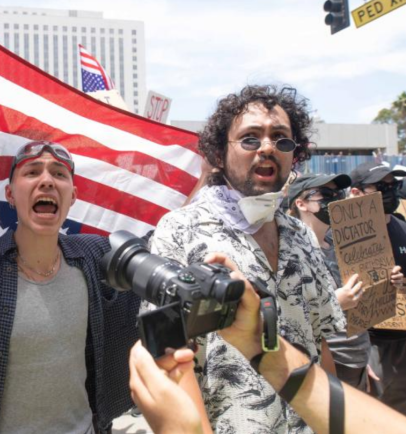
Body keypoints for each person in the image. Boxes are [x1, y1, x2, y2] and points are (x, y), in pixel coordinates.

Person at [0, 141, 182, 434]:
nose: (46, 181)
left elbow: (166, 244)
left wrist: (205, 177)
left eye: (59, 174)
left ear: (73, 196)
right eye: (32, 172)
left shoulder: (94, 257)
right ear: (10, 195)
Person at [151, 85, 345, 433]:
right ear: (220, 153)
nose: (267, 147)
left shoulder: (302, 237)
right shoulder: (179, 230)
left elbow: (321, 344)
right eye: (250, 138)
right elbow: (168, 357)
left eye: (281, 139)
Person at [130, 254, 406, 434]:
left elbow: (319, 333)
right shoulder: (181, 227)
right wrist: (260, 345)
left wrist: (181, 431)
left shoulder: (302, 238)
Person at [288, 173, 404, 391]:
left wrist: (388, 281)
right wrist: (336, 303)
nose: (333, 199)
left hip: (357, 359)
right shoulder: (293, 250)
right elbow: (288, 315)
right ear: (301, 203)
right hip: (325, 363)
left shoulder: (338, 243)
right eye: (324, 194)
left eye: (336, 193)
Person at [348, 161, 406, 414]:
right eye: (381, 186)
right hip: (374, 344)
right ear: (356, 193)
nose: (390, 191)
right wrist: (361, 353)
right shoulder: (343, 236)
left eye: (394, 185)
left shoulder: (402, 226)